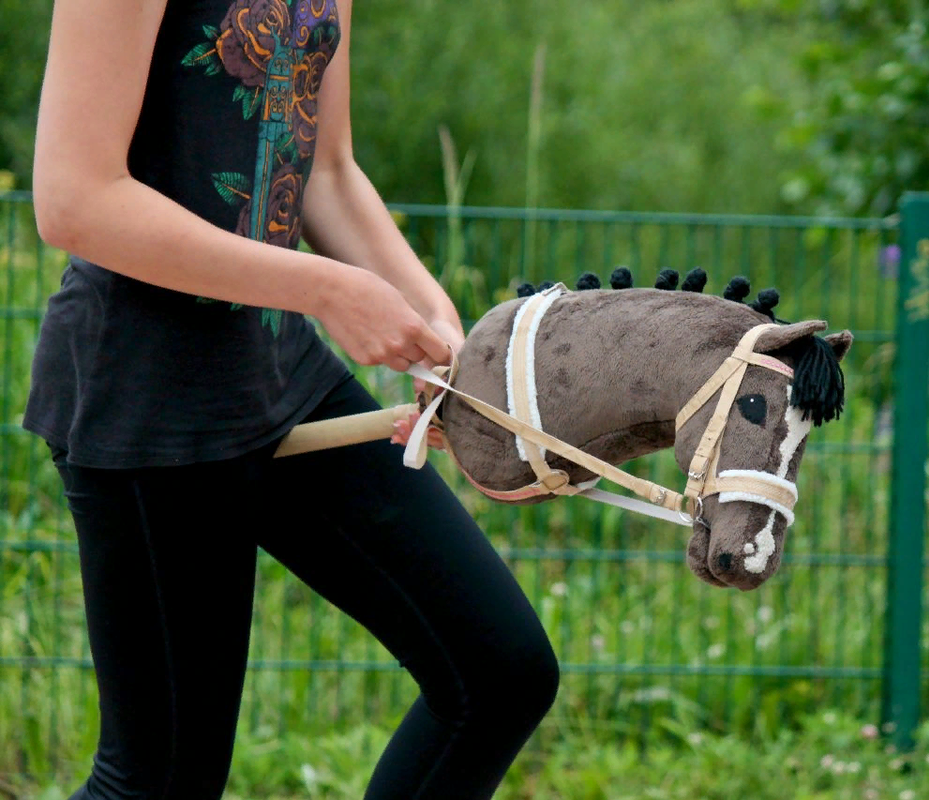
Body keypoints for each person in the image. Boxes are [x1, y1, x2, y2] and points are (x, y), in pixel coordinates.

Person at [24, 0, 559, 797]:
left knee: (499, 671)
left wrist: (442, 329)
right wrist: (324, 289)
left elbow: (329, 173)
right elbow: (73, 198)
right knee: (160, 783)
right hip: (145, 398)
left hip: (279, 374)